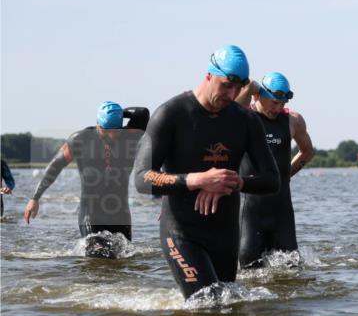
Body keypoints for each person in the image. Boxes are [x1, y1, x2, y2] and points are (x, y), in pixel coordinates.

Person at [132, 45, 279, 299]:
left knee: (226, 311)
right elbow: (142, 178)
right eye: (226, 85)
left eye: (238, 88)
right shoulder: (171, 114)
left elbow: (272, 180)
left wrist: (236, 182)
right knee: (206, 302)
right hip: (181, 231)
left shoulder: (247, 121)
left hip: (225, 234)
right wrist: (197, 180)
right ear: (209, 75)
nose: (231, 94)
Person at [23, 102, 149, 257]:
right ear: (97, 124)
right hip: (91, 214)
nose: (111, 135)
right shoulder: (80, 140)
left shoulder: (130, 136)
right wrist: (35, 198)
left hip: (121, 213)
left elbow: (143, 113)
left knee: (123, 259)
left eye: (115, 131)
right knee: (97, 258)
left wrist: (116, 114)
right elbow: (55, 166)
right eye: (106, 130)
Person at [234, 71, 315, 268]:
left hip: (282, 210)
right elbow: (230, 112)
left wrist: (285, 176)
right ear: (258, 96)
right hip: (250, 210)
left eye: (282, 104)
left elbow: (308, 151)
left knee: (291, 269)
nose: (278, 108)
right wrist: (248, 89)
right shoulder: (244, 117)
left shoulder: (292, 120)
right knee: (248, 268)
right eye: (274, 102)